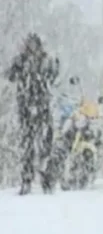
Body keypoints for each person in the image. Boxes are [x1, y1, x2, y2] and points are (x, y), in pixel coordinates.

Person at [4, 33, 59, 195]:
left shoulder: (47, 61)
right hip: (26, 108)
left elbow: (54, 76)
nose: (32, 47)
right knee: (27, 145)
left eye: (35, 44)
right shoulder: (20, 61)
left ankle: (47, 178)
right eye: (30, 44)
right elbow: (10, 75)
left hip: (42, 107)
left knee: (45, 145)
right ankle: (27, 179)